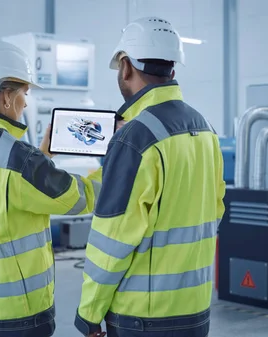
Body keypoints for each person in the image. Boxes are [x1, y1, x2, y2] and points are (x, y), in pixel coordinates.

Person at [74, 17, 226, 337]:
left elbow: (111, 241)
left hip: (142, 316)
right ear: (172, 69)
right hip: (195, 309)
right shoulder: (206, 129)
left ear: (126, 66)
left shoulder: (136, 138)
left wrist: (89, 313)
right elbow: (215, 211)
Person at [0, 42, 102, 337]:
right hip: (19, 313)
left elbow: (7, 190)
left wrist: (42, 157)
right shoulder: (18, 158)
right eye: (24, 93)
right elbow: (82, 199)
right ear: (6, 97)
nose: (26, 102)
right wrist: (117, 159)